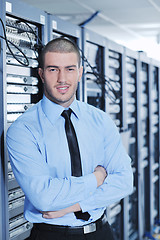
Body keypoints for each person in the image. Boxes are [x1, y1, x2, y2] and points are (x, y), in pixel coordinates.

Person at [6, 37, 133, 240]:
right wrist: (97, 179)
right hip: (51, 235)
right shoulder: (23, 129)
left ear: (80, 73)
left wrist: (70, 207)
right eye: (53, 69)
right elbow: (44, 198)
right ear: (41, 74)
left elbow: (125, 181)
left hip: (101, 233)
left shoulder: (100, 120)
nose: (62, 79)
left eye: (70, 69)